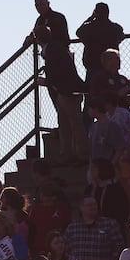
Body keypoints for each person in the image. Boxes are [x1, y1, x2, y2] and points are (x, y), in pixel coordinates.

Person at [34, 25, 87, 165]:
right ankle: (70, 153)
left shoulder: (52, 52)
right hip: (66, 90)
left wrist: (46, 81)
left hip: (67, 91)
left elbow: (59, 73)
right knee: (65, 123)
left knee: (73, 123)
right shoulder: (56, 49)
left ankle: (79, 153)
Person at [75, 2, 124, 79]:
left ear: (95, 12)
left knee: (92, 87)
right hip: (110, 64)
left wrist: (90, 18)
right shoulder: (114, 28)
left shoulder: (90, 28)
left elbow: (78, 32)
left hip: (92, 63)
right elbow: (121, 36)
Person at [83, 158, 129, 228]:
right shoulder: (90, 189)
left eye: (94, 168)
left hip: (112, 226)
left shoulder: (115, 189)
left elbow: (122, 211)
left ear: (102, 169)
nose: (91, 171)